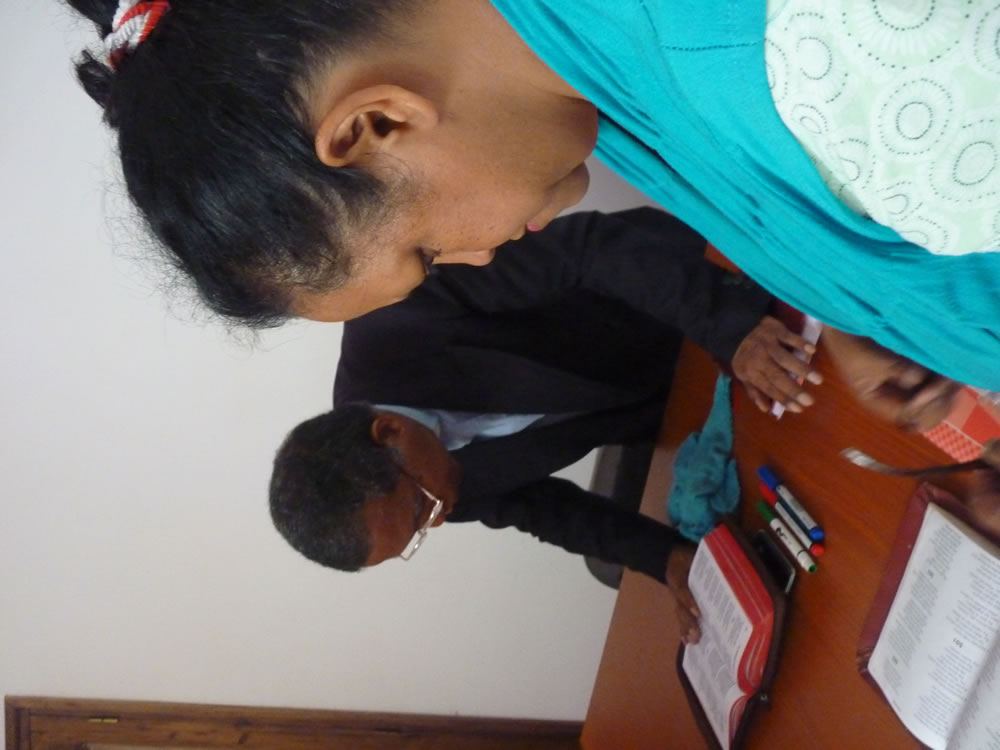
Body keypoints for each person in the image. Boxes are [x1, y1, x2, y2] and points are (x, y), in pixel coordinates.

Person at [66, 1, 986, 412]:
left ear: (379, 122)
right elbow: (792, 183)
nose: (477, 262)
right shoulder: (561, 83)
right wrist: (863, 309)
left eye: (427, 254)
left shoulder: (842, 54)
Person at [270, 207, 822, 643]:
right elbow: (540, 510)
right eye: (418, 536)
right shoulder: (419, 487)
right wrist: (667, 558)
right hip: (667, 403)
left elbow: (588, 249)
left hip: (693, 295)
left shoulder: (400, 312)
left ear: (388, 432)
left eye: (421, 511)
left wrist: (729, 329)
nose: (436, 520)